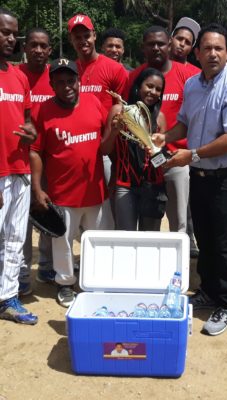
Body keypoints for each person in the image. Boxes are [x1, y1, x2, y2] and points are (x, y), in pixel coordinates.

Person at [152, 23, 227, 336]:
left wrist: (192, 155)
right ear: (197, 53)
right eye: (206, 48)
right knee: (206, 236)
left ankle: (225, 303)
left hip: (225, 176)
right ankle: (208, 291)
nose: (212, 54)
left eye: (219, 48)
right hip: (200, 175)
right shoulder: (193, 85)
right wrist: (163, 137)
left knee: (224, 242)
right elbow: (183, 123)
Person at [30, 58, 114, 308]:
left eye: (71, 80)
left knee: (101, 239)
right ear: (51, 84)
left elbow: (104, 146)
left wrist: (116, 128)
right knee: (63, 243)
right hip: (62, 194)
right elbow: (35, 152)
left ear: (79, 81)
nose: (67, 86)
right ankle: (65, 283)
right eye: (60, 82)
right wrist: (37, 189)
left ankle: (98, 281)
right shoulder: (42, 111)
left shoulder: (93, 102)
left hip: (95, 191)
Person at [124, 26, 199, 245]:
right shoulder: (134, 76)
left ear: (170, 44)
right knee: (149, 220)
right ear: (143, 47)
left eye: (161, 43)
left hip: (177, 159)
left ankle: (180, 269)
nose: (156, 48)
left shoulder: (190, 75)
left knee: (179, 222)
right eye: (151, 44)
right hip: (144, 164)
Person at [0, 7, 38, 324]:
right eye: (5, 31)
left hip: (19, 169)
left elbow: (29, 122)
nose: (11, 38)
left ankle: (7, 297)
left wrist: (31, 132)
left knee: (15, 238)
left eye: (14, 33)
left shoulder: (19, 75)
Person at [102, 68, 167, 231]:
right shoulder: (119, 111)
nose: (153, 92)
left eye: (158, 89)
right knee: (125, 239)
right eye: (149, 86)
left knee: (149, 241)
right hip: (125, 184)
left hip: (153, 186)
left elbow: (161, 162)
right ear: (138, 86)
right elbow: (104, 149)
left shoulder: (160, 118)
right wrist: (115, 131)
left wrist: (155, 153)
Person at [68, 14, 128, 188]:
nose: (83, 41)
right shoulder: (69, 71)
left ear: (94, 35)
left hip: (109, 148)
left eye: (86, 36)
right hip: (78, 145)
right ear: (71, 39)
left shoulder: (115, 69)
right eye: (77, 37)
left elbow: (123, 108)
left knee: (109, 204)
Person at [17, 27, 55, 295]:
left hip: (48, 158)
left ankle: (46, 265)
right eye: (34, 45)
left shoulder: (56, 75)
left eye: (43, 46)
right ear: (25, 47)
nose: (39, 50)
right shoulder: (14, 75)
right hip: (17, 158)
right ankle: (20, 273)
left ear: (50, 50)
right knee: (21, 221)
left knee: (45, 211)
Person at [169, 17, 201, 258]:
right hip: (155, 153)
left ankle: (184, 253)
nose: (182, 45)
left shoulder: (197, 75)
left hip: (184, 153)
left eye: (187, 42)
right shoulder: (156, 69)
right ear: (170, 39)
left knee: (185, 211)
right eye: (179, 39)